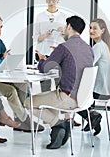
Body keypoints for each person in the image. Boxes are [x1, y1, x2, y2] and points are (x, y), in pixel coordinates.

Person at [24, 15, 94, 149]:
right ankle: (57, 131)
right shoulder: (88, 48)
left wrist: (41, 60)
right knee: (48, 101)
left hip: (67, 98)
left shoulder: (64, 47)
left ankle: (58, 124)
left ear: (69, 27)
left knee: (29, 103)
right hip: (84, 98)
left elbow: (44, 68)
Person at [0, 15, 44, 132]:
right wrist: (1, 59)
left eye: (1, 27)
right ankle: (26, 120)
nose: (0, 29)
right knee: (11, 91)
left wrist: (0, 60)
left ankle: (19, 118)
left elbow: (5, 61)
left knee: (24, 85)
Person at [77, 18, 110, 136]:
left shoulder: (99, 47)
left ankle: (91, 117)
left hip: (100, 91)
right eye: (90, 28)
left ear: (103, 30)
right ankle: (92, 118)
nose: (91, 30)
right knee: (84, 91)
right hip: (107, 90)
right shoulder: (107, 46)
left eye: (95, 28)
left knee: (71, 97)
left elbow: (86, 66)